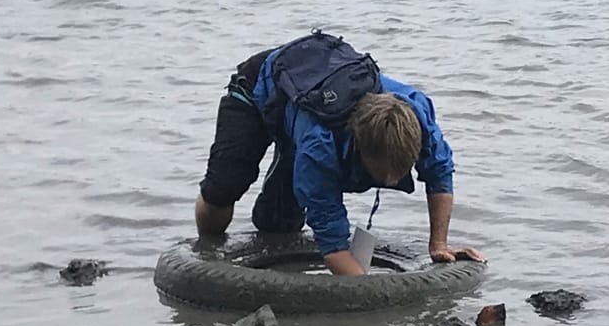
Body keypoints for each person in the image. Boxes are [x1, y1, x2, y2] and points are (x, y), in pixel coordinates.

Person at [194, 34, 484, 276]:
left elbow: (441, 174)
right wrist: (375, 293)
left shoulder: (417, 117)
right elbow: (334, 250)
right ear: (358, 147)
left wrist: (439, 245)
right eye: (380, 173)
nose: (389, 180)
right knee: (225, 186)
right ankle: (206, 255)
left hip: (303, 109)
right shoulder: (320, 149)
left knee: (279, 226)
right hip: (259, 85)